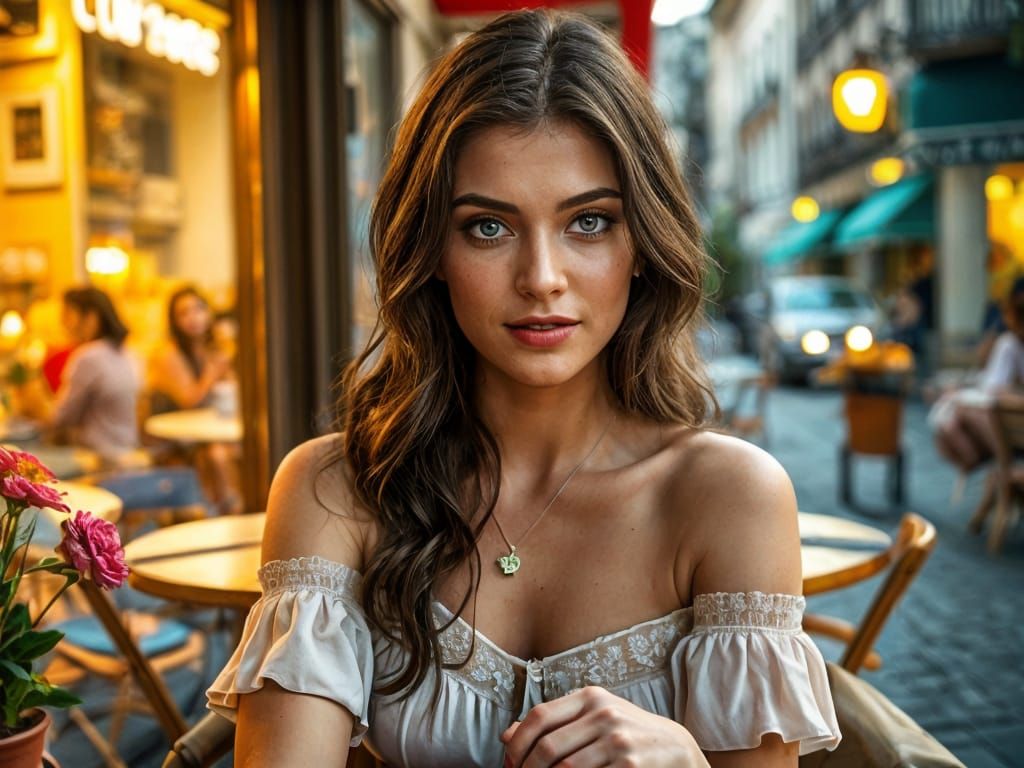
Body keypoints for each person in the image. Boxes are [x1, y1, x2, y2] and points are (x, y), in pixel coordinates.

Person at [208, 11, 840, 767]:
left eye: (589, 222)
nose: (542, 279)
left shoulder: (729, 498)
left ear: (641, 243)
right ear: (431, 251)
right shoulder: (336, 492)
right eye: (487, 228)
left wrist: (685, 763)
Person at [17, 287, 141, 465]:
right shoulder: (128, 352)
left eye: (68, 314)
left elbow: (59, 418)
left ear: (91, 317)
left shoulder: (88, 356)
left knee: (17, 460)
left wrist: (32, 402)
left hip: (99, 457)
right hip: (128, 448)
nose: (64, 323)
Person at [148, 286, 241, 514]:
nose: (193, 317)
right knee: (217, 455)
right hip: (171, 442)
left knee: (228, 450)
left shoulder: (210, 350)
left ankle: (229, 509)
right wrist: (213, 371)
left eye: (199, 309)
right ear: (174, 321)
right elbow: (189, 399)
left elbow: (231, 391)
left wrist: (225, 359)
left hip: (202, 437)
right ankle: (232, 510)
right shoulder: (168, 355)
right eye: (184, 313)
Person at [932, 290, 1024, 472]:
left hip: (1010, 424)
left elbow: (995, 388)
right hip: (1008, 419)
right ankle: (1000, 470)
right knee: (955, 408)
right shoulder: (1009, 344)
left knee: (957, 409)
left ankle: (1000, 468)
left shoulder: (1009, 344)